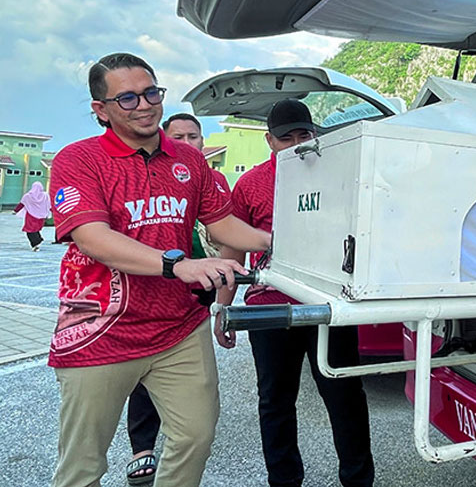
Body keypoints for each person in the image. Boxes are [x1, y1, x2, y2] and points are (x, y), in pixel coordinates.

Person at [48, 52, 272, 487]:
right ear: (101, 110)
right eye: (128, 98)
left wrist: (272, 241)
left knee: (194, 436)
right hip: (99, 329)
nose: (145, 104)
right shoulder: (79, 159)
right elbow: (92, 237)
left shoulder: (188, 162)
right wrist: (180, 265)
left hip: (178, 329)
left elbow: (222, 223)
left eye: (151, 92)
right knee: (82, 465)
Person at [214, 99, 375, 487]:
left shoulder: (336, 174)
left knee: (345, 396)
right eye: (286, 138)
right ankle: (284, 481)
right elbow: (232, 251)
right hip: (269, 307)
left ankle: (358, 480)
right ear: (269, 141)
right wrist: (222, 308)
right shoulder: (251, 183)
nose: (297, 143)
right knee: (275, 401)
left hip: (326, 306)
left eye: (304, 134)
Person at [123, 112, 232, 485]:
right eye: (179, 138)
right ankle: (142, 448)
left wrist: (224, 301)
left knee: (185, 380)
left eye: (194, 137)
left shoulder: (214, 180)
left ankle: (181, 437)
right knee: (141, 375)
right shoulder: (150, 172)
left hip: (195, 293)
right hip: (148, 291)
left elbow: (227, 236)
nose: (188, 144)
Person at [14, 181, 50, 251]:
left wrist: (15, 210)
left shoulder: (27, 196)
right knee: (36, 230)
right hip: (41, 216)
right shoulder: (45, 196)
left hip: (31, 216)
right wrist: (53, 211)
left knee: (29, 230)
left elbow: (21, 204)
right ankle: (38, 240)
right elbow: (49, 204)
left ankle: (36, 242)